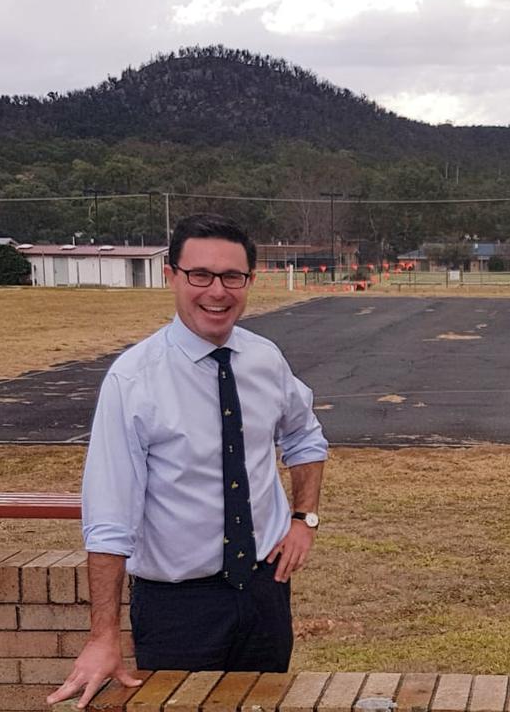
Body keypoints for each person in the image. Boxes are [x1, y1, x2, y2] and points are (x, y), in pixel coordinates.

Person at [47, 214, 329, 708]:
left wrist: (304, 519)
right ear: (171, 276)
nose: (216, 292)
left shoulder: (265, 359)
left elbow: (305, 437)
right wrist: (104, 636)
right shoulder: (133, 381)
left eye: (231, 277)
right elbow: (109, 521)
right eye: (200, 275)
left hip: (265, 594)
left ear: (249, 282)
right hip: (179, 609)